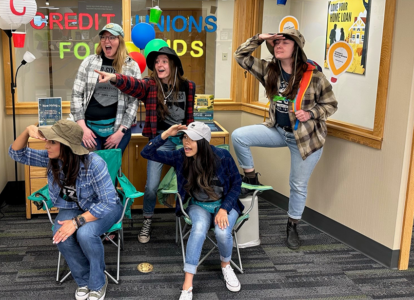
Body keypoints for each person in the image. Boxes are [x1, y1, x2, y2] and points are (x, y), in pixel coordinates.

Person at [230, 25, 337, 249]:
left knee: (297, 185)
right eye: (276, 43)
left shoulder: (314, 76)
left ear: (296, 47)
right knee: (239, 136)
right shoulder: (270, 70)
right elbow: (240, 55)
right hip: (278, 130)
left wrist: (310, 113)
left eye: (285, 42)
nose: (279, 46)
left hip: (305, 138)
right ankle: (251, 179)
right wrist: (260, 38)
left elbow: (331, 104)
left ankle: (292, 225)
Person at [94, 43, 196, 244]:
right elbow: (132, 84)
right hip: (159, 141)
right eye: (157, 62)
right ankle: (147, 220)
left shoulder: (188, 86)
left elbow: (190, 117)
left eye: (164, 61)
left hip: (182, 140)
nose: (159, 64)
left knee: (189, 182)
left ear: (173, 65)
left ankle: (189, 218)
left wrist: (191, 138)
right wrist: (114, 77)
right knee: (151, 187)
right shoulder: (150, 85)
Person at [10, 120, 122, 300]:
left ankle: (98, 282)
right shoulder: (51, 159)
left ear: (67, 146)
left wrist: (76, 223)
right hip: (72, 207)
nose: (47, 145)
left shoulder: (94, 163)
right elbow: (16, 153)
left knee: (85, 234)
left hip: (105, 208)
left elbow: (108, 202)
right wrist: (26, 131)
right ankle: (84, 280)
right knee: (60, 234)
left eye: (52, 142)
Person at [142, 122, 244, 299]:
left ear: (203, 142)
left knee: (222, 232)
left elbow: (236, 184)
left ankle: (226, 265)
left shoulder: (222, 156)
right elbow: (147, 153)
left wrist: (224, 209)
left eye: (192, 139)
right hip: (199, 205)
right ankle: (187, 284)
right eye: (184, 137)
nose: (186, 143)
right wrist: (166, 133)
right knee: (197, 230)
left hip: (224, 204)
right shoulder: (180, 156)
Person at [70, 23, 141, 155]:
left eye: (111, 37)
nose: (106, 41)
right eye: (104, 37)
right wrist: (82, 127)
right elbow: (76, 95)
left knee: (111, 170)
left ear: (119, 41)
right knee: (91, 170)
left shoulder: (131, 66)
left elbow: (134, 102)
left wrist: (121, 132)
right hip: (89, 130)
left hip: (117, 131)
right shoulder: (89, 62)